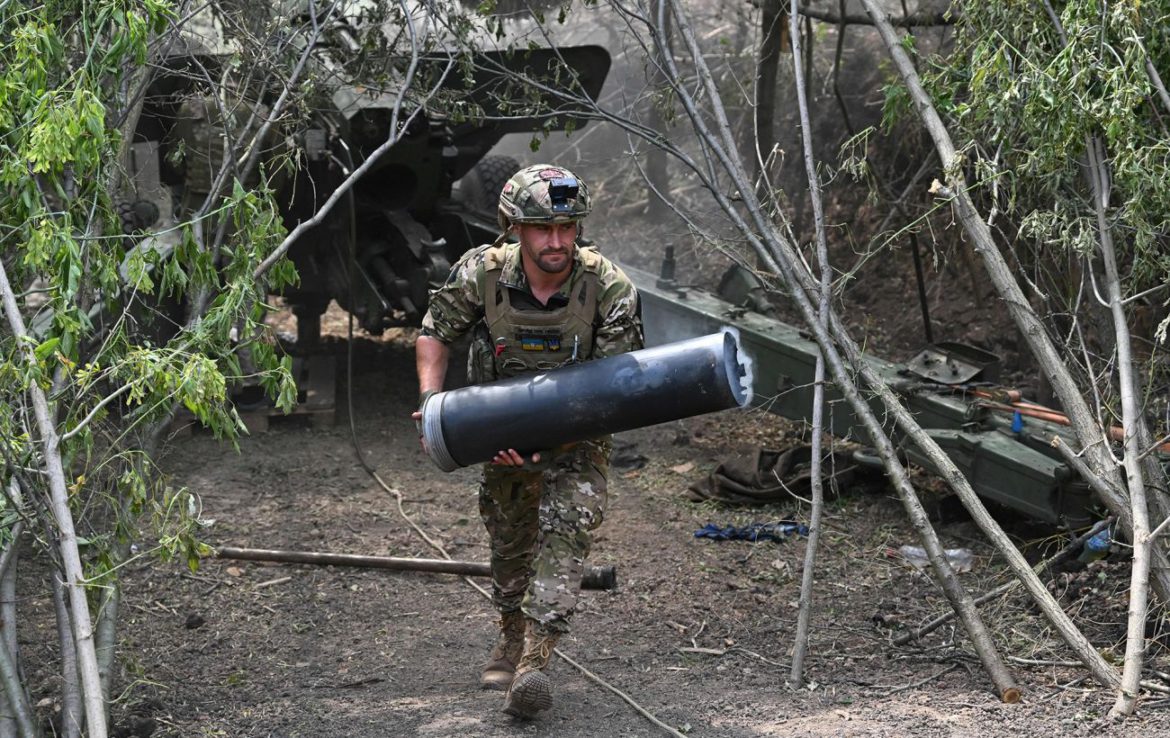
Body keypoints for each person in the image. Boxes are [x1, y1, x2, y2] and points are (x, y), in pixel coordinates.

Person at [412, 164, 643, 718]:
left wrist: (555, 438)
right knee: (510, 541)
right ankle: (510, 634)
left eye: (568, 228)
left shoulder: (609, 287)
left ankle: (535, 659)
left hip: (579, 435)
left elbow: (615, 388)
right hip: (501, 429)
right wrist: (432, 405)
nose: (558, 241)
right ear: (513, 226)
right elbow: (433, 335)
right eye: (543, 228)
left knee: (566, 533)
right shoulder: (482, 274)